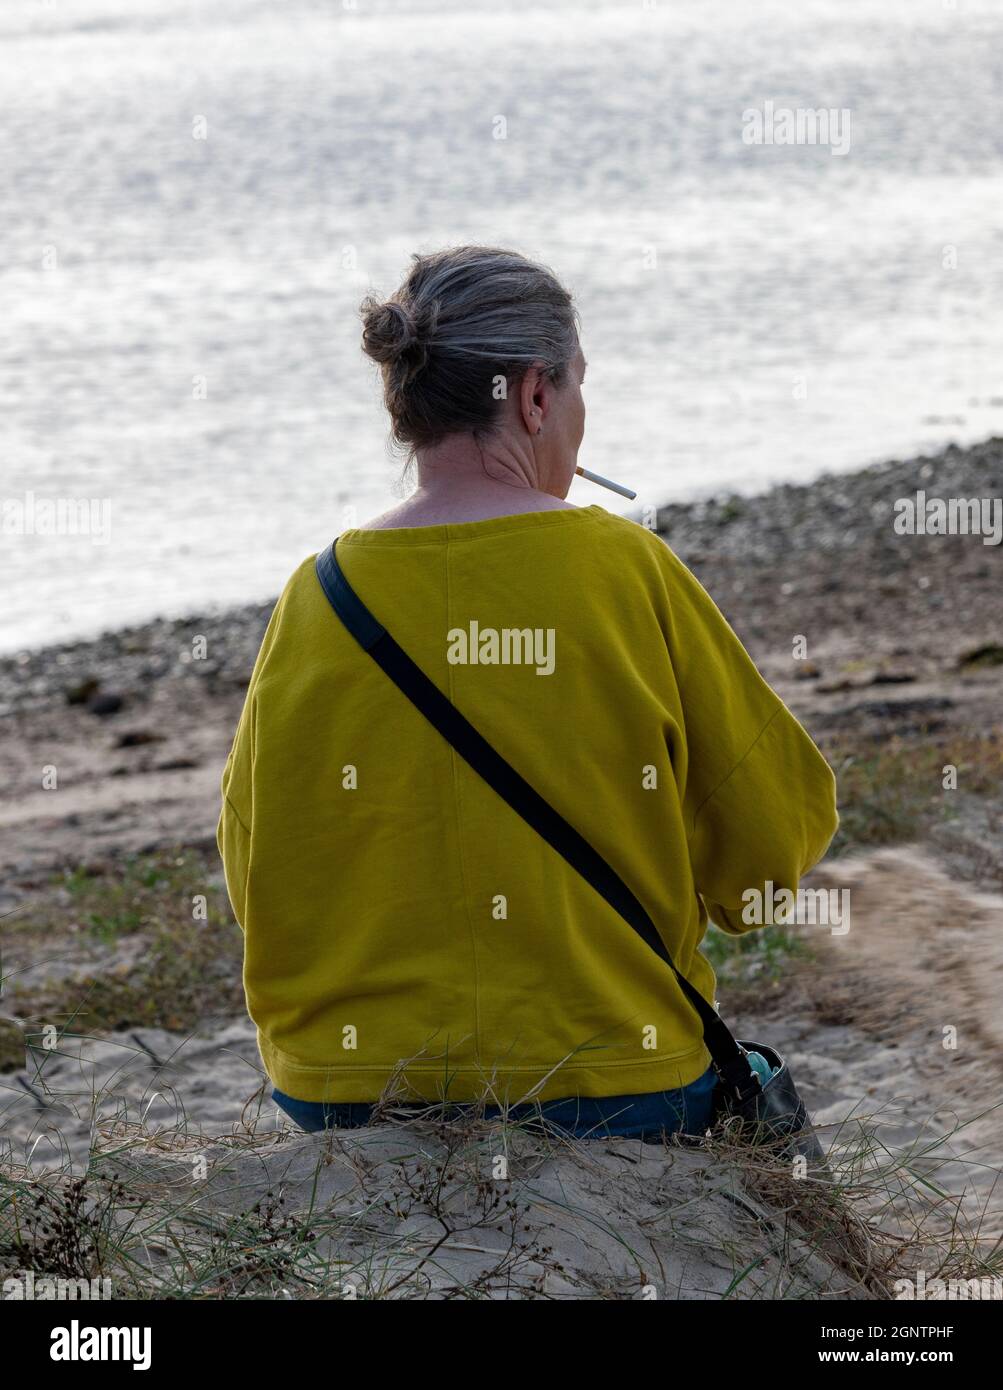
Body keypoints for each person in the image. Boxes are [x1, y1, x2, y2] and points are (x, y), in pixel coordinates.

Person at [217, 245, 839, 1141]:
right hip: (610, 1079)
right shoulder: (624, 569)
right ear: (534, 397)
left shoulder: (314, 595)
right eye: (579, 386)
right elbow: (767, 850)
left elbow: (253, 863)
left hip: (341, 1090)